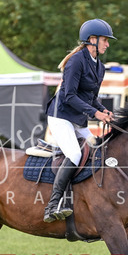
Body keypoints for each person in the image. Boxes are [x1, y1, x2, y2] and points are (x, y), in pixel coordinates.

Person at [43, 19, 116, 222]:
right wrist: (95, 114)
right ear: (92, 40)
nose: (107, 44)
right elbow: (69, 96)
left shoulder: (100, 67)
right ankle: (53, 205)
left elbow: (91, 97)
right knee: (75, 153)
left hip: (78, 119)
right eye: (105, 40)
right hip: (61, 117)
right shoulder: (76, 61)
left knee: (98, 150)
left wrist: (103, 110)